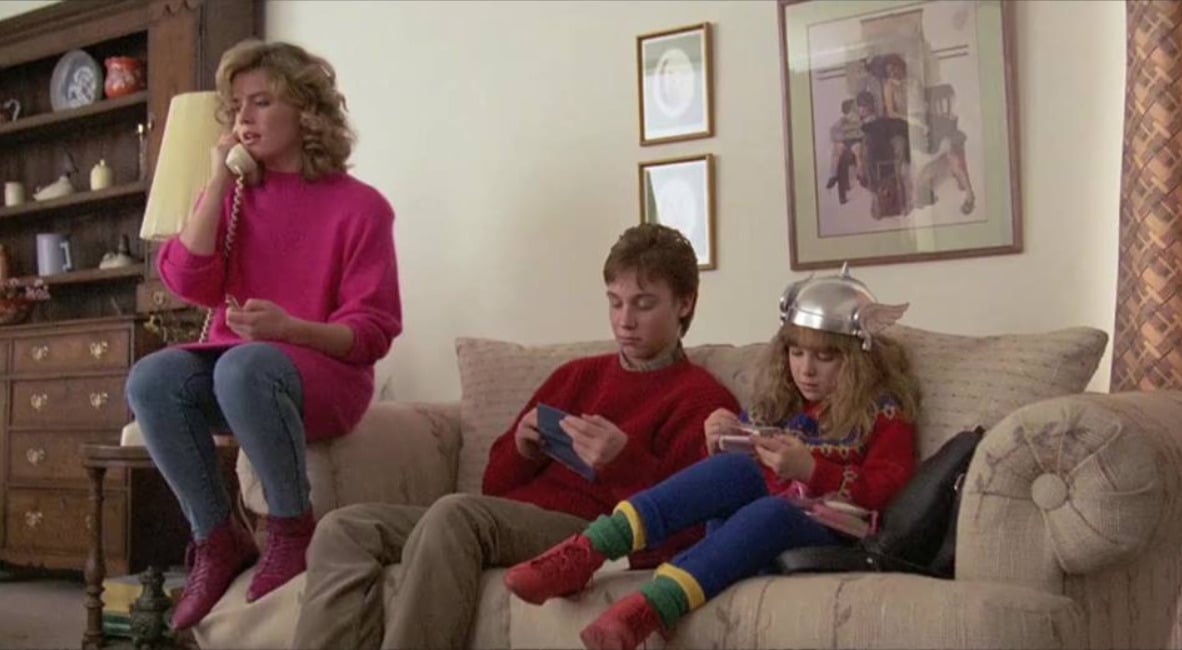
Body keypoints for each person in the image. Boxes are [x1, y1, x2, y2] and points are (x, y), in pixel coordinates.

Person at [290, 223, 740, 650]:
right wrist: (522, 449)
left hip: (592, 532)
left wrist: (623, 462)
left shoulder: (701, 400)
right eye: (614, 302)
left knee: (455, 515)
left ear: (684, 303)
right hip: (515, 518)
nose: (624, 320)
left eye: (643, 304)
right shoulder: (576, 376)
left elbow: (693, 530)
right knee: (344, 527)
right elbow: (496, 487)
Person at [124, 39, 402, 631]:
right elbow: (187, 280)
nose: (244, 118)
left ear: (306, 111)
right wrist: (220, 182)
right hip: (241, 365)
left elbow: (372, 333)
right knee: (152, 377)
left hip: (325, 375)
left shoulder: (363, 209)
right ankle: (217, 536)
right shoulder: (237, 194)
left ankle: (290, 527)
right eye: (237, 106)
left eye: (261, 102)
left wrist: (289, 329)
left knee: (243, 365)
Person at [503, 266, 920, 650]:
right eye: (796, 353)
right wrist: (719, 441)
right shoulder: (780, 402)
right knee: (734, 467)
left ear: (859, 357)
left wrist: (813, 470)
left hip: (832, 528)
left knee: (775, 510)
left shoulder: (883, 413)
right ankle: (587, 551)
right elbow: (729, 473)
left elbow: (890, 491)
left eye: (825, 357)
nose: (806, 370)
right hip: (750, 518)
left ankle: (647, 609)